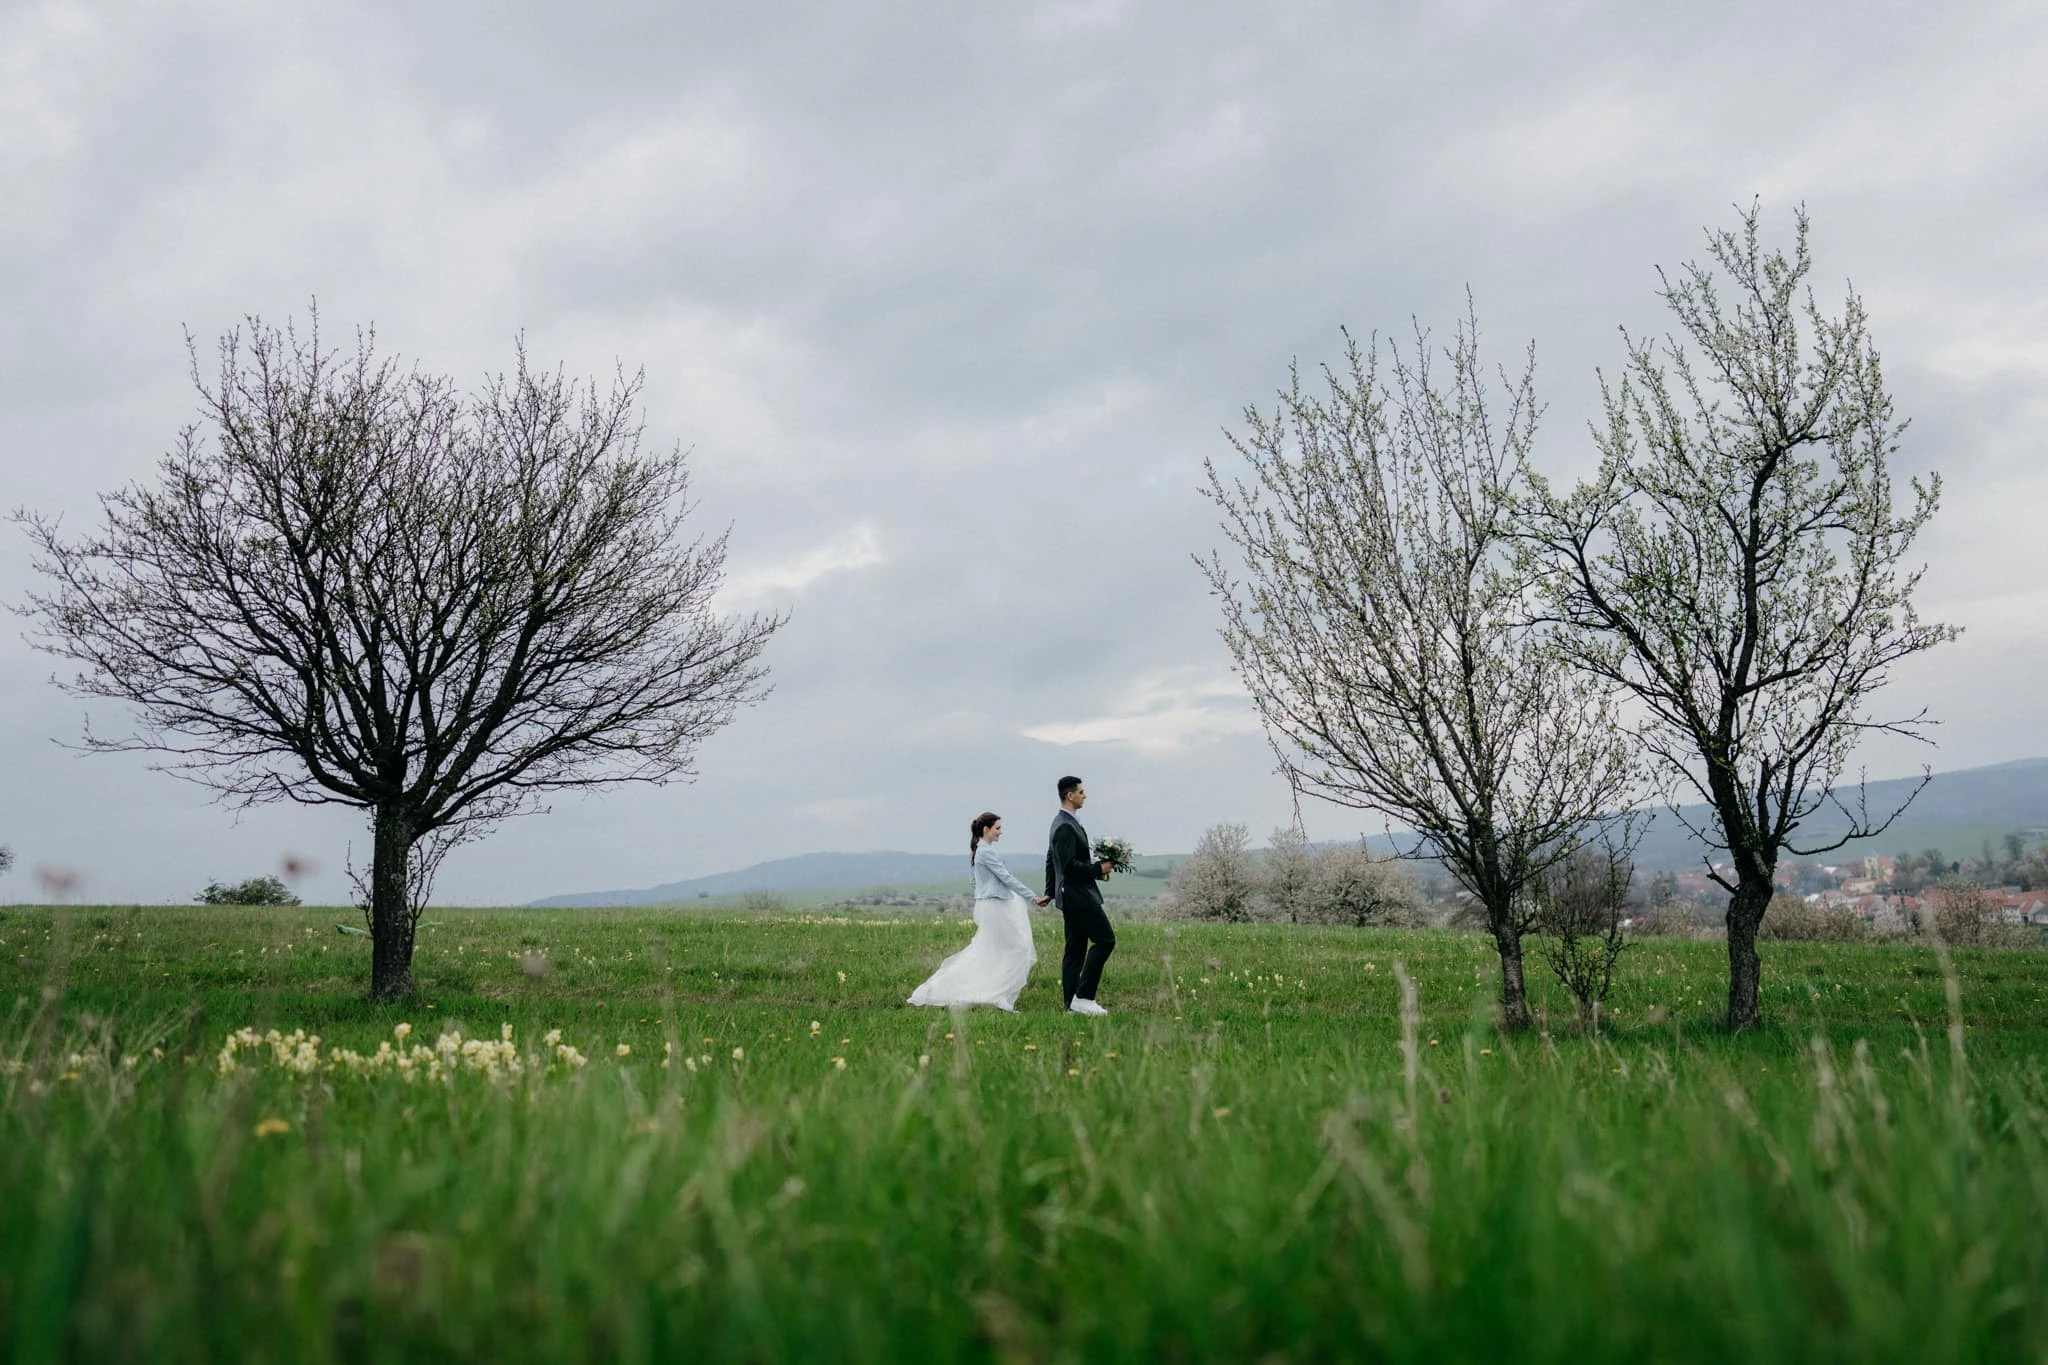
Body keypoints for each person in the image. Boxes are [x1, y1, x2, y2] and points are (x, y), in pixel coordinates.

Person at [907, 811, 1050, 1011]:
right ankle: (993, 993)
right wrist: (1032, 897)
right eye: (997, 828)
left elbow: (974, 881)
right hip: (997, 906)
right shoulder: (986, 852)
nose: (1001, 832)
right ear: (986, 829)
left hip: (988, 905)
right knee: (1016, 948)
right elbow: (1005, 877)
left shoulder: (977, 851)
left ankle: (993, 992)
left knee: (994, 949)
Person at [1044, 775, 1115, 1016]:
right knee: (1105, 941)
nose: (1085, 795)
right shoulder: (1064, 825)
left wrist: (1049, 892)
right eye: (1081, 792)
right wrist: (1098, 869)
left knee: (1075, 952)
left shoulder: (1063, 822)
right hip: (1079, 897)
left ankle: (1071, 1006)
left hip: (1070, 896)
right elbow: (1068, 865)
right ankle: (1084, 997)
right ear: (1069, 795)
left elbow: (1050, 860)